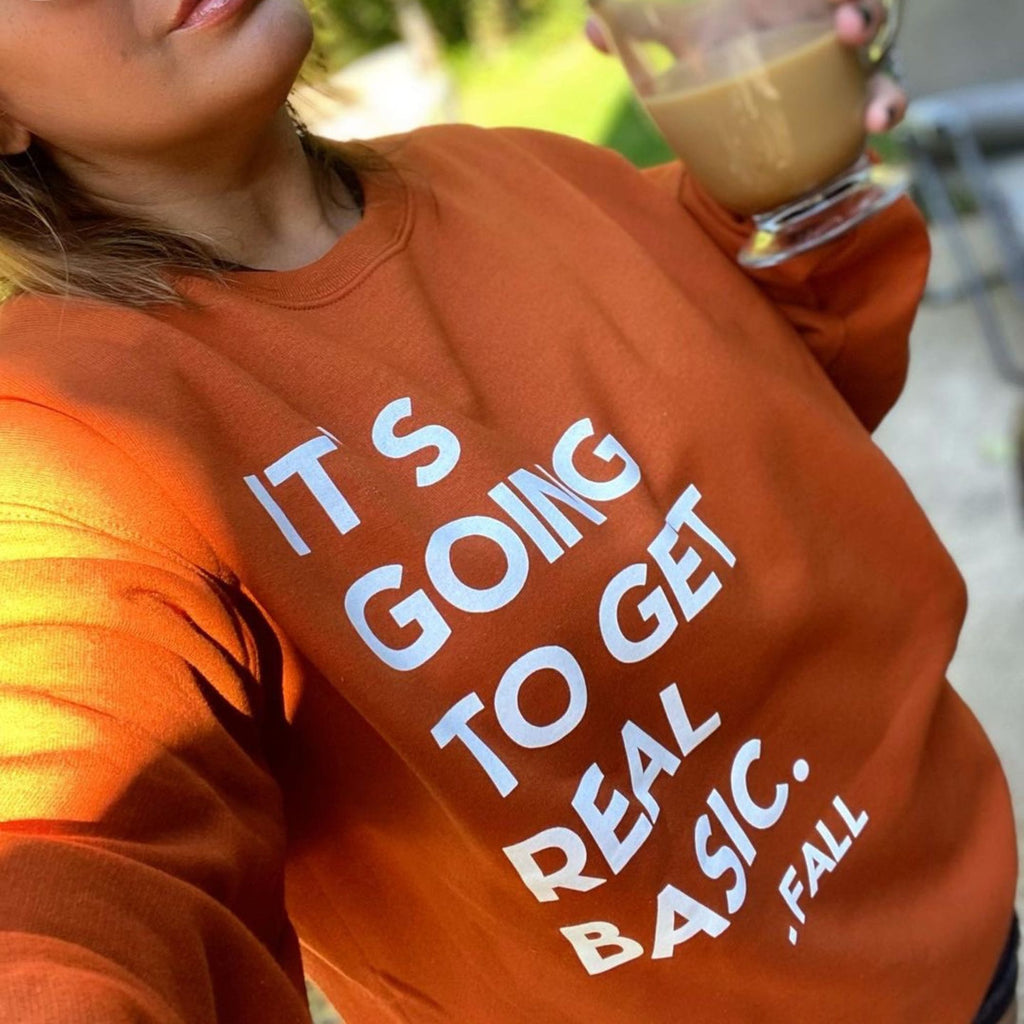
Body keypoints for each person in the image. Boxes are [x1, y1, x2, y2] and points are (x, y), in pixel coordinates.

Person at [0, 0, 1017, 1021]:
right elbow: (62, 846)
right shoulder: (61, 435)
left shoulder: (519, 171)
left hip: (977, 917)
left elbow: (801, 384)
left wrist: (799, 172)